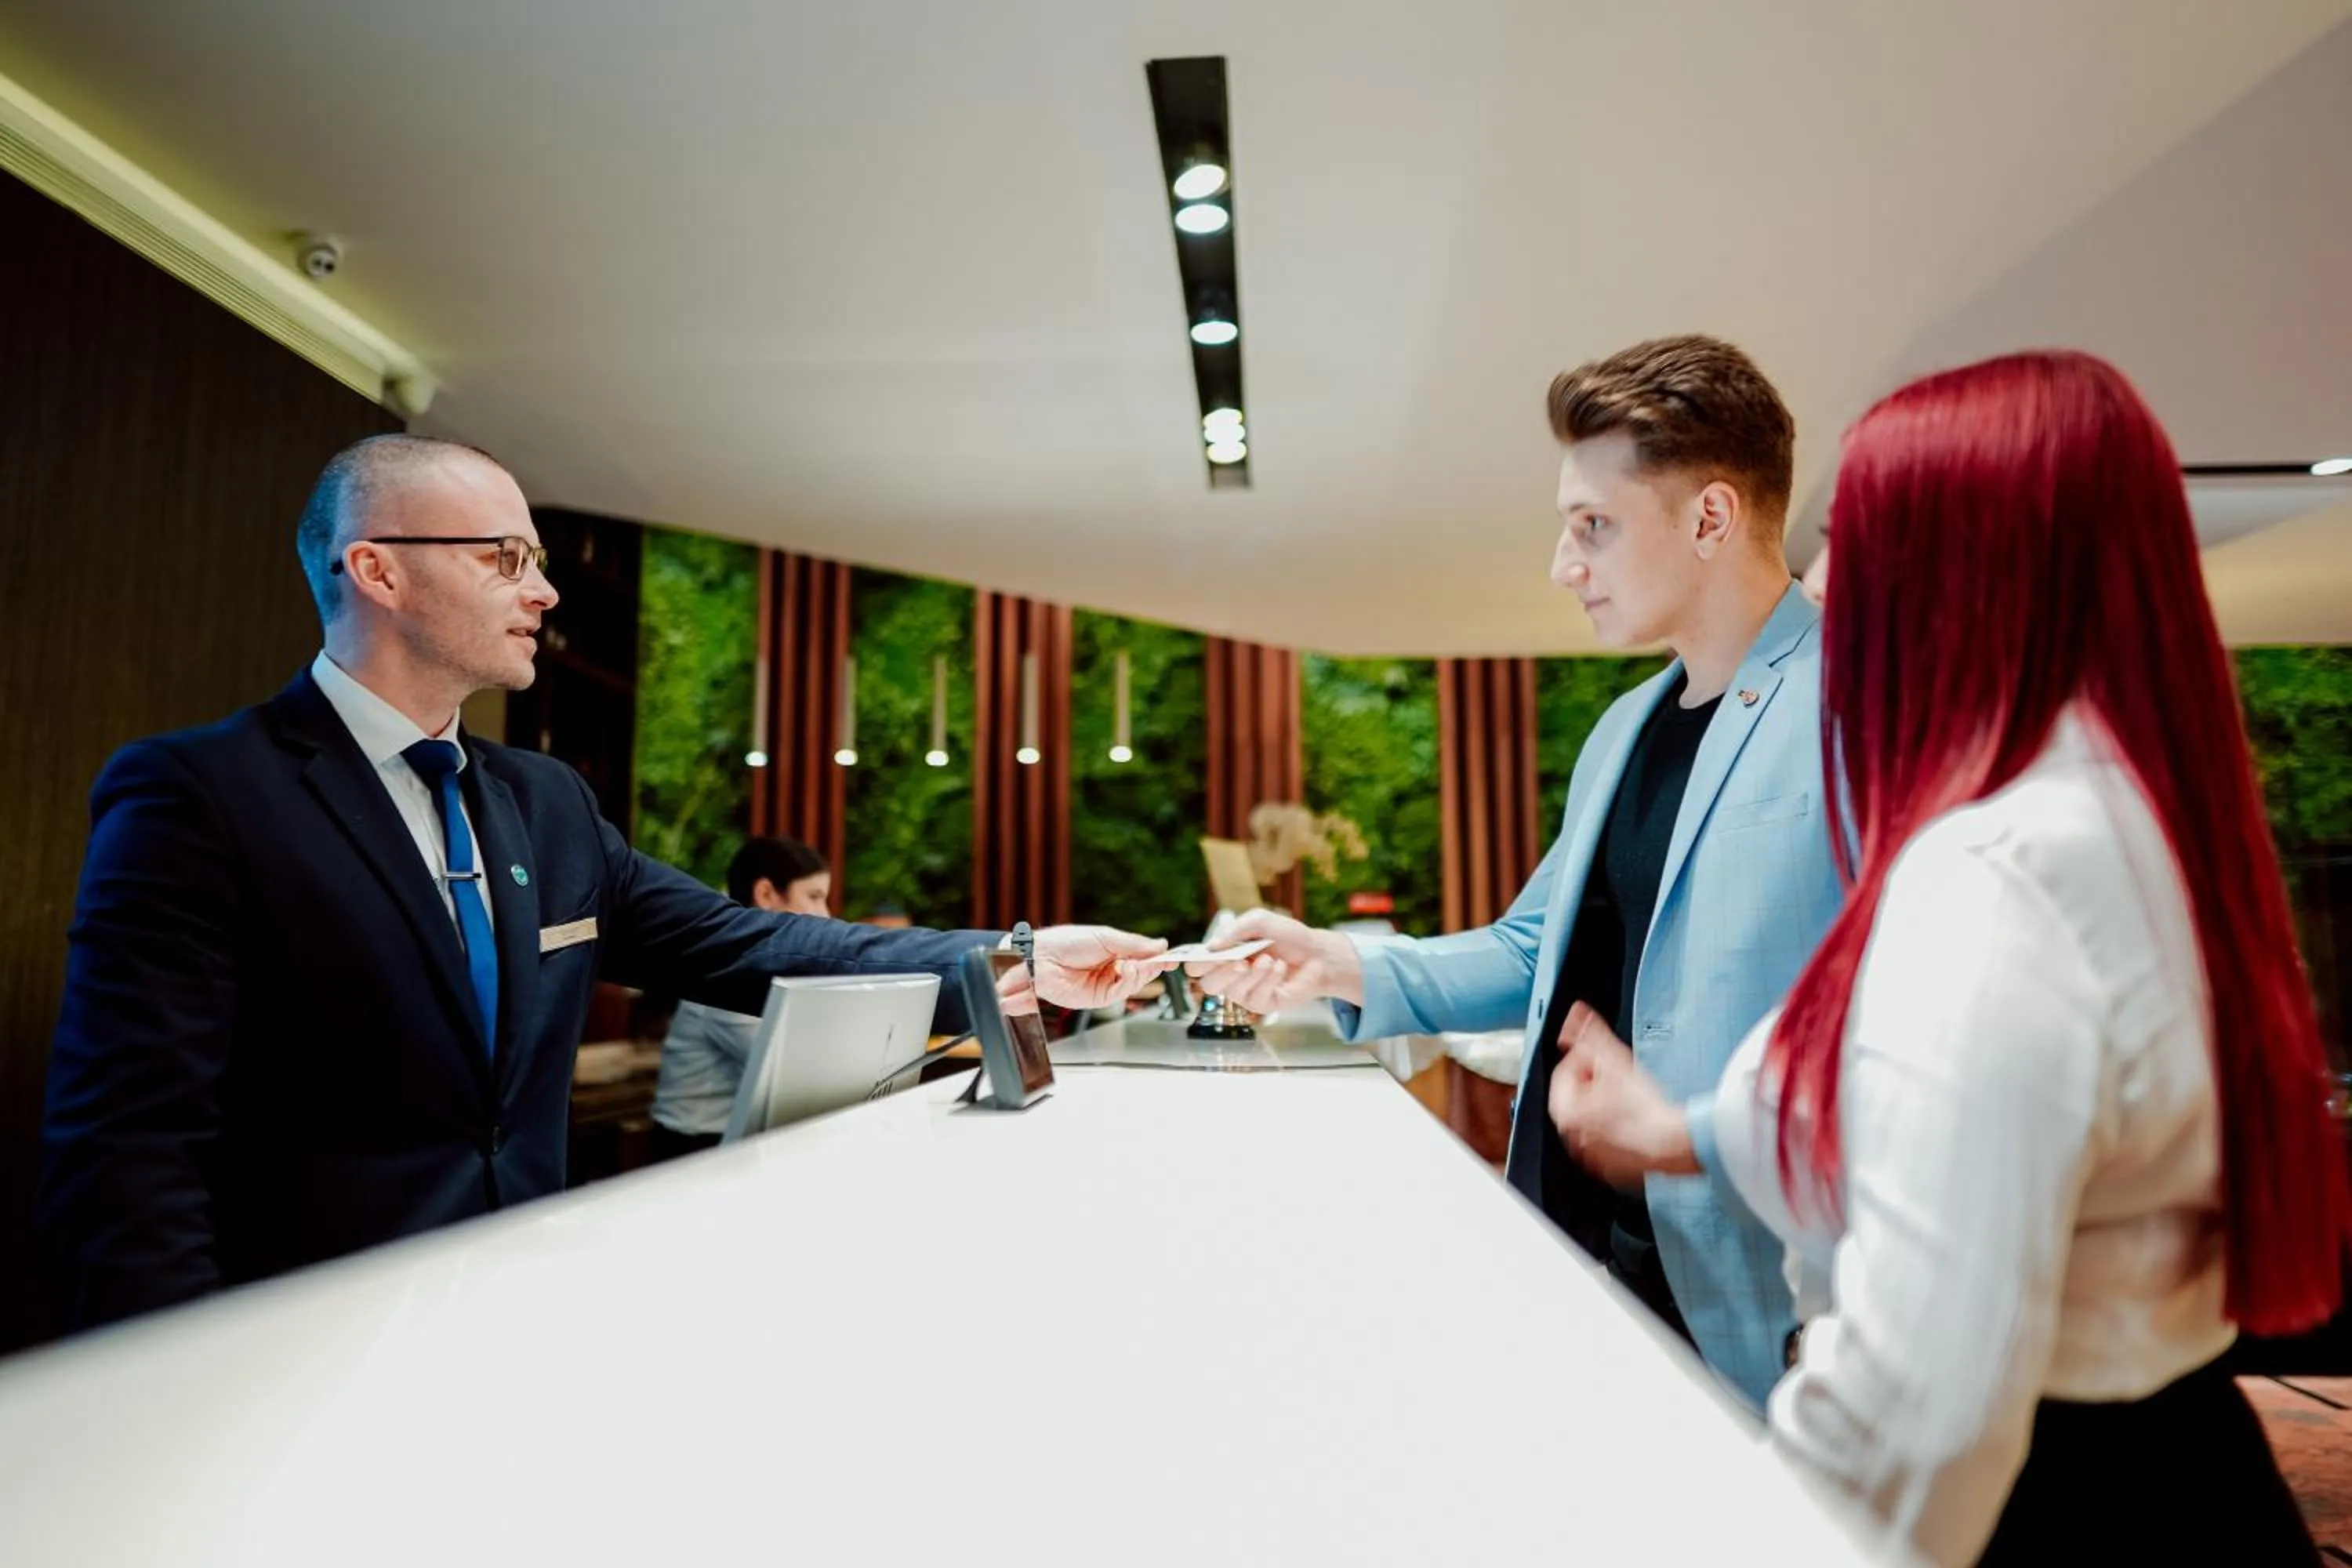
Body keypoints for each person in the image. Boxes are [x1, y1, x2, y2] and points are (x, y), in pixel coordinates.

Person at [38, 434, 1171, 1333]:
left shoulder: (546, 801)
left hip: (511, 1312)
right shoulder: (202, 792)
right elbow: (129, 1142)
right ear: (375, 567)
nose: (544, 594)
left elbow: (754, 945)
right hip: (290, 1332)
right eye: (506, 558)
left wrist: (1012, 960)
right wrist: (159, 1386)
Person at [1549, 350, 2347, 1566]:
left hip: (2051, 1511)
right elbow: (1943, 1115)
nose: (1817, 583)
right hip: (2171, 1469)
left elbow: (1918, 1405)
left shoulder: (1994, 880)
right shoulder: (2118, 809)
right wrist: (1687, 1131)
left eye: (1853, 543)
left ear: (1954, 582)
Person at [1198, 336, 1843, 1406]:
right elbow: (1530, 947)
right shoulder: (1626, 726)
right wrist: (1337, 966)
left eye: (1593, 526)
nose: (1563, 565)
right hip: (1595, 1254)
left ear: (1711, 519)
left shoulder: (1853, 705)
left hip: (1765, 1290)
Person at [648, 834, 833, 1160]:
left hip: (732, 1142)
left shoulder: (761, 962)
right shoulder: (726, 970)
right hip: (692, 1149)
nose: (826, 915)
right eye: (815, 897)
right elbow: (792, 1074)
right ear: (766, 894)